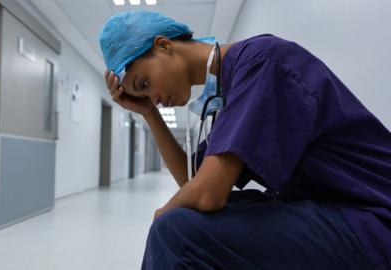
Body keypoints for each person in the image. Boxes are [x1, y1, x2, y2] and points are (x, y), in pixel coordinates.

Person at [99, 11, 391, 270]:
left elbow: (205, 194)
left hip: (371, 222)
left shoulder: (261, 61)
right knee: (220, 210)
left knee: (173, 232)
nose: (155, 99)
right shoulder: (234, 87)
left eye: (145, 85)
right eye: (145, 96)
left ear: (163, 45)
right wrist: (149, 114)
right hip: (335, 213)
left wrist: (161, 214)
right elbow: (194, 184)